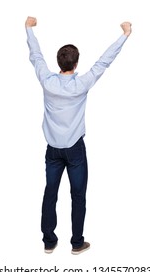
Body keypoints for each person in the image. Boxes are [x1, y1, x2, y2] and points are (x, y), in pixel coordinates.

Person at [25, 16, 132, 255]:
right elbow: (103, 62)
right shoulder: (81, 84)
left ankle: (49, 241)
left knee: (49, 192)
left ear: (59, 62)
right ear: (76, 64)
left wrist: (28, 29)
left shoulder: (47, 81)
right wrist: (124, 34)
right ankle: (76, 243)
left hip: (52, 148)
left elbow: (36, 56)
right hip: (74, 149)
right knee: (78, 196)